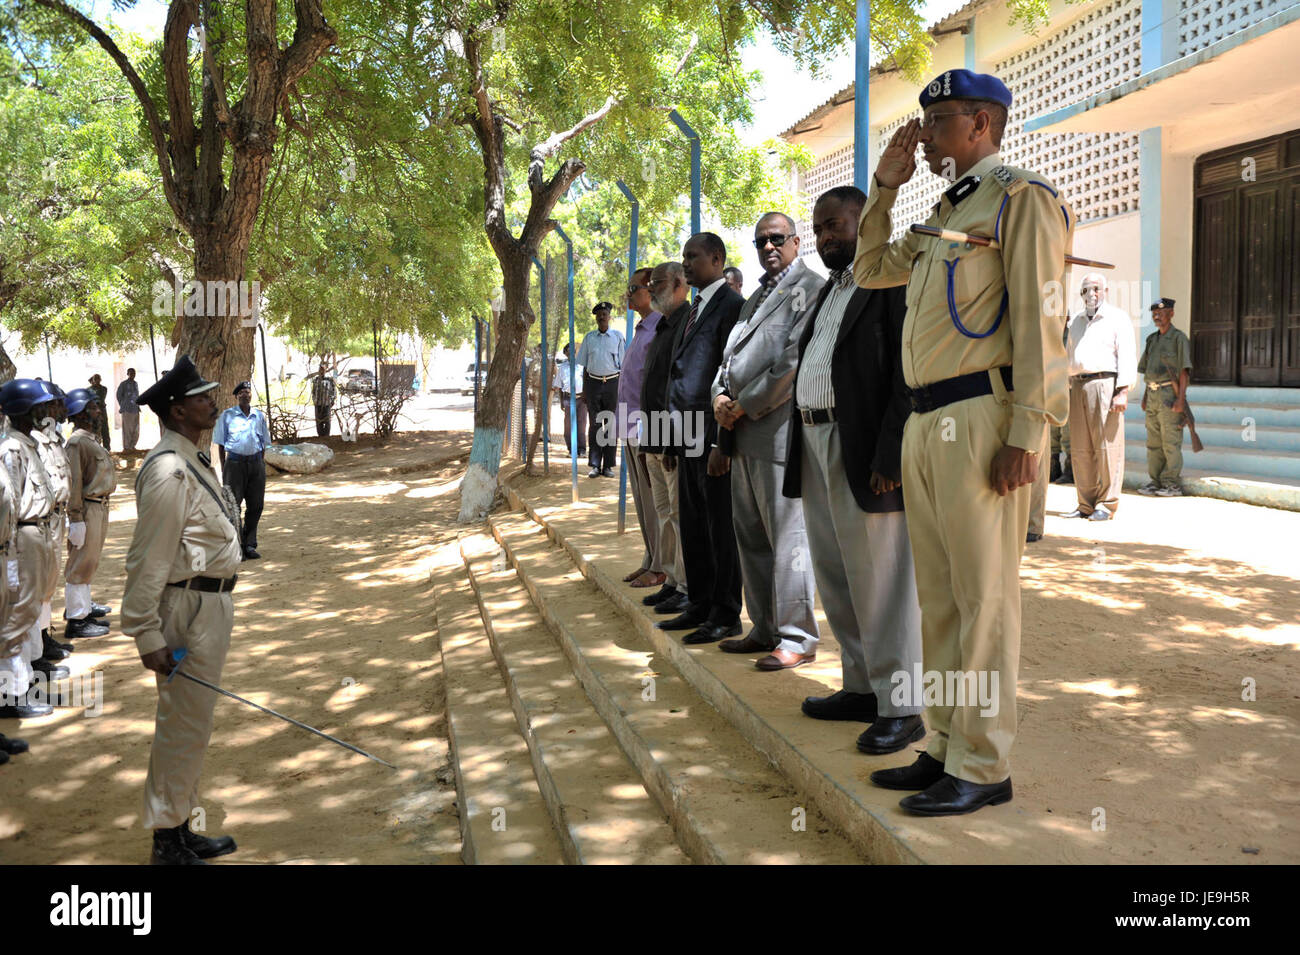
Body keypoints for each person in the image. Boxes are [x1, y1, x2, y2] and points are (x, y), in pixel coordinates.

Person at [854, 69, 1072, 815]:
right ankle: (946, 743)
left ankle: (984, 764)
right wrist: (884, 188)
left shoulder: (1021, 199)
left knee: (984, 600)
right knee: (942, 600)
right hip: (924, 423)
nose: (923, 135)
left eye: (937, 120)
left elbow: (1045, 320)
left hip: (981, 418)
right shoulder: (943, 211)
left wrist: (1029, 430)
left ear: (981, 124)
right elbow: (869, 267)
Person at [783, 186, 925, 754]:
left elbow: (907, 373)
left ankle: (905, 704)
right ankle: (863, 688)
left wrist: (890, 454)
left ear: (867, 221)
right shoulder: (832, 290)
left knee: (884, 582)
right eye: (818, 230)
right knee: (838, 575)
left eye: (835, 225)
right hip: (815, 439)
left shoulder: (892, 279)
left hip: (863, 445)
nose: (824, 239)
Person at [123, 355, 242, 864]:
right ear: (176, 412)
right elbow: (148, 558)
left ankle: (181, 825)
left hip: (209, 604)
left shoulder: (191, 456)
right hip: (188, 609)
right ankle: (166, 843)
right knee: (182, 726)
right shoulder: (170, 471)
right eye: (200, 398)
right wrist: (146, 633)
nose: (211, 402)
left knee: (193, 725)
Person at [709, 212, 822, 671]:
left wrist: (744, 404)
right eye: (761, 242)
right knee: (751, 537)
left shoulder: (810, 290)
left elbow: (792, 364)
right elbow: (729, 357)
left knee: (788, 539)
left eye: (777, 239)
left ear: (796, 242)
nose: (769, 247)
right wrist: (718, 395)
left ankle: (796, 637)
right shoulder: (754, 297)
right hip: (741, 436)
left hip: (778, 434)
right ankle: (764, 627)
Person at [658, 233, 745, 645]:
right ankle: (700, 603)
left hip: (711, 435)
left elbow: (730, 376)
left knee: (719, 526)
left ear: (716, 259)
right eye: (684, 256)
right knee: (693, 521)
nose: (686, 263)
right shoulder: (694, 309)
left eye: (693, 257)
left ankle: (726, 613)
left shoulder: (732, 308)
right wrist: (673, 441)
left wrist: (720, 444)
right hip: (684, 434)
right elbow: (678, 377)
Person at [0, 380, 58, 720]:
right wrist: (9, 556)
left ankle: (21, 684)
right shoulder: (11, 451)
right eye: (40, 406)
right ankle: (11, 694)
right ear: (23, 411)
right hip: (21, 539)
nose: (46, 412)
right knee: (16, 615)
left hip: (37, 534)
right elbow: (10, 507)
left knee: (29, 608)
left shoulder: (28, 446)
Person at [1062, 274, 1137, 521]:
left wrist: (1123, 391)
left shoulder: (1117, 318)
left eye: (1096, 289)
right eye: (1086, 290)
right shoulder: (1076, 322)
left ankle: (1107, 503)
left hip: (1106, 384)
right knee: (1081, 448)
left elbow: (1126, 355)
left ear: (1105, 290)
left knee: (1107, 447)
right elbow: (1069, 354)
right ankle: (1085, 503)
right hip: (1078, 385)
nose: (1091, 294)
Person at [639, 262, 691, 616]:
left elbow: (682, 386)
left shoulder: (688, 323)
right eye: (652, 283)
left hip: (673, 437)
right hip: (652, 435)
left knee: (678, 514)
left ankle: (687, 585)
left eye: (658, 282)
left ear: (679, 284)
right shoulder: (662, 326)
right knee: (663, 513)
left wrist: (672, 440)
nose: (653, 288)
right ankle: (671, 580)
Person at [617, 268, 666, 590]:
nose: (628, 294)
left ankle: (661, 566)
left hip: (648, 428)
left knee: (654, 501)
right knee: (641, 500)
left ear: (650, 290)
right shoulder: (641, 330)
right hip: (629, 427)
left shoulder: (661, 328)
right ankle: (650, 558)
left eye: (633, 288)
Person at [63, 388, 117, 639]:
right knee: (79, 562)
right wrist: (75, 518)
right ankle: (76, 619)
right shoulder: (76, 442)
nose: (98, 411)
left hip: (99, 505)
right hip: (87, 508)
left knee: (89, 560)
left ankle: (84, 606)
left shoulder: (90, 439)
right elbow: (73, 482)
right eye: (93, 407)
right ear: (82, 413)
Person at [33, 383, 79, 666]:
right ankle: (34, 647)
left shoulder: (53, 438)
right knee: (37, 585)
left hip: (56, 517)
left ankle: (42, 636)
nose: (63, 409)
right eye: (57, 404)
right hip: (41, 520)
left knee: (48, 583)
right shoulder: (34, 442)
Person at [1137, 298, 1192, 497]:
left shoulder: (1179, 338)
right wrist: (1144, 397)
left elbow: (1184, 371)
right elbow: (1147, 371)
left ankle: (1171, 483)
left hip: (1170, 394)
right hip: (1151, 394)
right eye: (1154, 314)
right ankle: (1156, 480)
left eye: (1161, 313)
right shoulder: (1152, 340)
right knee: (1153, 442)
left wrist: (1180, 400)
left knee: (1170, 440)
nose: (1157, 317)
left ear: (1171, 314)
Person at [213, 382, 270, 561]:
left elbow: (264, 442)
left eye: (248, 392)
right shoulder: (227, 416)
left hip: (255, 465)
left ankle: (250, 544)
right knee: (233, 507)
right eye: (242, 393)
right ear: (237, 397)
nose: (246, 395)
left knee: (256, 505)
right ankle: (236, 547)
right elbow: (220, 444)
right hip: (235, 465)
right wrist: (224, 467)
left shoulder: (258, 416)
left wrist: (260, 463)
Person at [577, 302, 625, 477]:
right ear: (596, 318)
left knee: (610, 425)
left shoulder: (618, 337)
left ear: (609, 316)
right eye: (599, 315)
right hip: (593, 384)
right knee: (595, 425)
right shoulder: (589, 338)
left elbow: (624, 365)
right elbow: (584, 366)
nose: (602, 317)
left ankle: (608, 466)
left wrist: (622, 389)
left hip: (612, 384)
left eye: (604, 314)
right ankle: (595, 465)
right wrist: (584, 390)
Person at [553, 344, 586, 460]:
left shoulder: (582, 366)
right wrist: (562, 402)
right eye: (568, 352)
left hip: (582, 399)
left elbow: (587, 383)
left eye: (573, 351)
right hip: (568, 398)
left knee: (581, 425)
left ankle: (582, 450)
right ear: (566, 354)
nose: (571, 354)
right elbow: (559, 386)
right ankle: (572, 449)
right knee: (568, 426)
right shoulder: (562, 368)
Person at [116, 368, 141, 452]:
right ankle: (126, 447)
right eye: (131, 373)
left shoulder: (136, 384)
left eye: (134, 373)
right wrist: (123, 405)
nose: (133, 374)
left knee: (136, 429)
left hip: (135, 409)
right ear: (127, 374)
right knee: (127, 429)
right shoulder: (123, 384)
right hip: (127, 409)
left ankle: (132, 446)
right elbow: (118, 395)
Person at [311, 361, 336, 437]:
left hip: (327, 404)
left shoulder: (329, 380)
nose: (322, 371)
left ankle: (326, 436)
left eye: (323, 369)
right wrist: (315, 401)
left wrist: (332, 400)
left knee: (327, 421)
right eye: (320, 369)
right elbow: (313, 392)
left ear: (326, 370)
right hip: (318, 404)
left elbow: (333, 391)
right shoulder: (316, 380)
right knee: (319, 421)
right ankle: (320, 436)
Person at [88, 374, 111, 449]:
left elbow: (99, 397)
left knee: (105, 429)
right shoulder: (88, 389)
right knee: (94, 429)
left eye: (98, 379)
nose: (97, 381)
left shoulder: (103, 389)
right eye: (95, 379)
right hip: (93, 411)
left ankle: (107, 447)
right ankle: (96, 446)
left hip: (102, 410)